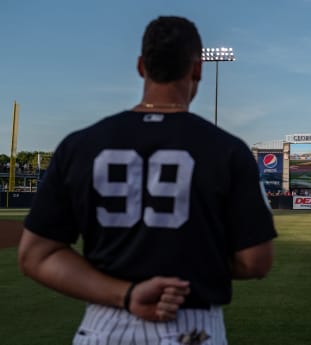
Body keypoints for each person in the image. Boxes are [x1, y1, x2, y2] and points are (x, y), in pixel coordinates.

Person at [18, 16, 276, 345]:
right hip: (192, 326)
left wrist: (127, 294)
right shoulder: (227, 150)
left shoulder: (80, 145)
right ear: (197, 69)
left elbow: (35, 256)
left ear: (142, 66)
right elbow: (256, 260)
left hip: (104, 327)